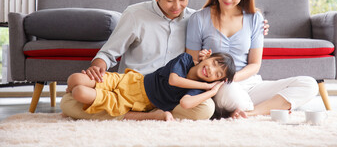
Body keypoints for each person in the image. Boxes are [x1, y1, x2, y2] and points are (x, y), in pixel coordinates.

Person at [60, 0, 269, 120]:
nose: (177, 6)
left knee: (206, 109)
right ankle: (138, 113)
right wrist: (98, 66)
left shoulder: (194, 18)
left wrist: (258, 24)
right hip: (133, 85)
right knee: (70, 101)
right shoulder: (135, 15)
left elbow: (215, 40)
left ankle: (138, 115)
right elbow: (108, 53)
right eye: (170, 0)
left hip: (172, 96)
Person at [185, 0, 318, 118]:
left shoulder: (255, 18)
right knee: (232, 93)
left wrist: (233, 77)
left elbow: (254, 64)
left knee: (309, 84)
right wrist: (204, 62)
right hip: (221, 87)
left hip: (250, 84)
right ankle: (270, 106)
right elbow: (191, 63)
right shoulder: (199, 19)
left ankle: (253, 112)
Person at [66, 52, 235, 121]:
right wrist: (205, 86)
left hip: (133, 100)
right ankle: (72, 91)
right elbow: (174, 80)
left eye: (218, 74)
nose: (211, 70)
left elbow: (186, 103)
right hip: (130, 80)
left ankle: (135, 115)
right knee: (73, 78)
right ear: (207, 57)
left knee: (79, 92)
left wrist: (211, 91)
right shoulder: (185, 60)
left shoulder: (197, 90)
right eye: (213, 63)